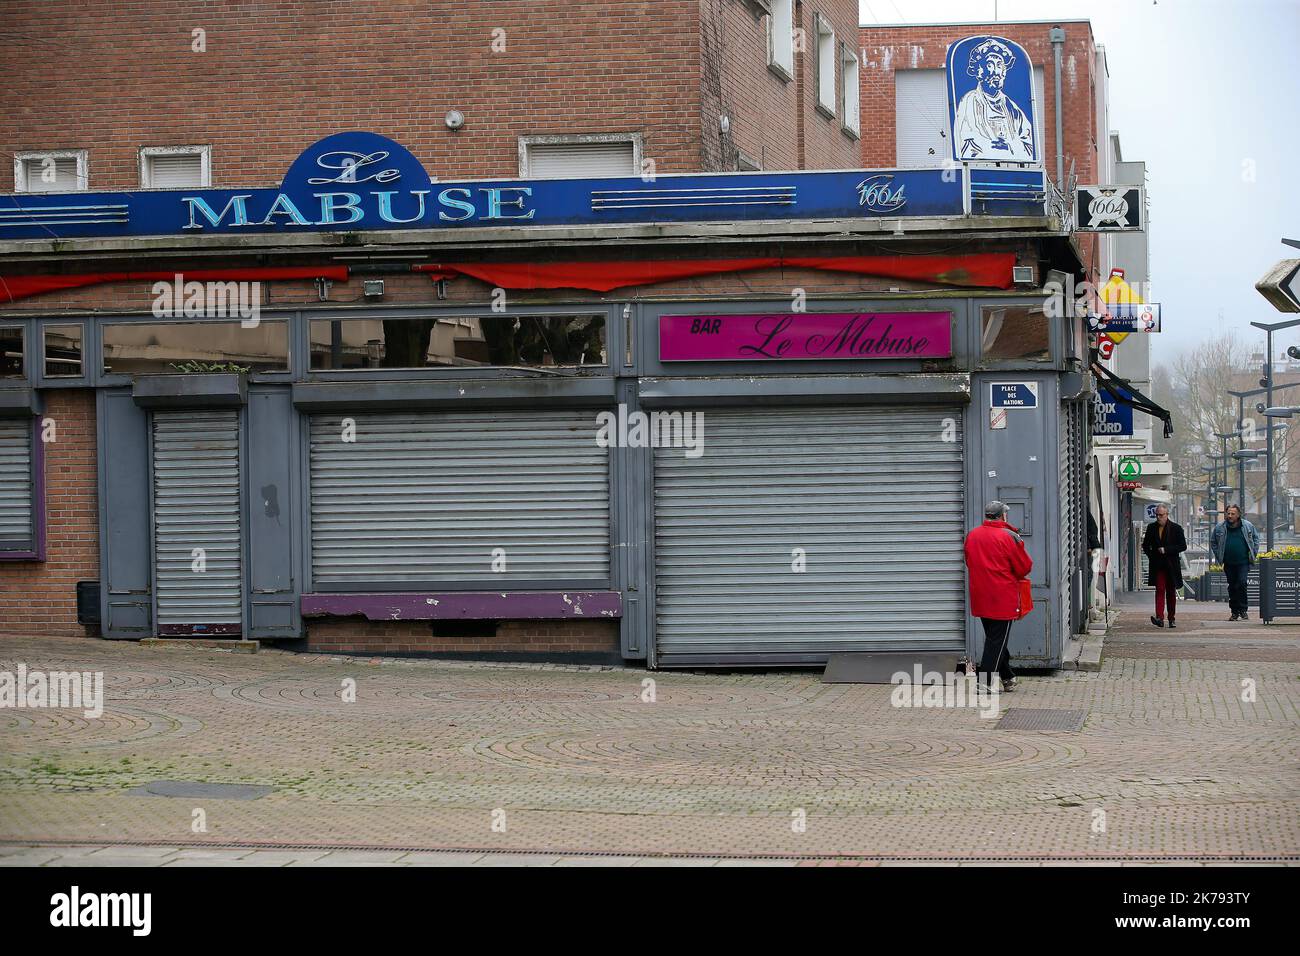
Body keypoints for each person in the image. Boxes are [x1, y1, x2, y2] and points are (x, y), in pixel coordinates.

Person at [964, 500, 1033, 693]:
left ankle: (1008, 677)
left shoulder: (972, 535)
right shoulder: (1009, 537)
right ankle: (984, 681)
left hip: (980, 594)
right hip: (1003, 596)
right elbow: (1024, 567)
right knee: (996, 640)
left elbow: (969, 561)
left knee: (995, 638)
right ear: (1003, 515)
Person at [954, 38, 1035, 161]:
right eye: (990, 65)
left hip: (1011, 174)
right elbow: (966, 144)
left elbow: (1029, 147)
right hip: (980, 174)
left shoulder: (1011, 108)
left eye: (1000, 66)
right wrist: (994, 150)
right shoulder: (969, 102)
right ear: (979, 72)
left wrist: (1010, 147)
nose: (996, 72)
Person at [1211, 504, 1260, 622]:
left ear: (1238, 515)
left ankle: (1243, 609)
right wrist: (1219, 556)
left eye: (1233, 513)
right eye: (1228, 513)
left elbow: (1256, 539)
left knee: (1242, 583)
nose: (1230, 516)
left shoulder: (1247, 526)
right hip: (1228, 563)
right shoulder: (1219, 528)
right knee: (1232, 586)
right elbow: (1213, 542)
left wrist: (1253, 553)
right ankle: (1234, 612)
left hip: (1243, 562)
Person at [1140, 505, 1186, 628]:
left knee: (1171, 591)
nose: (1158, 517)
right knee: (1160, 589)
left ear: (1167, 514)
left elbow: (1182, 546)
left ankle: (1171, 618)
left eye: (1161, 515)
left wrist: (1166, 550)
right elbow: (1145, 545)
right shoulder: (1151, 528)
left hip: (1171, 565)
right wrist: (1152, 556)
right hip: (1158, 565)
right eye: (1157, 515)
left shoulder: (1176, 528)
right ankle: (1159, 617)